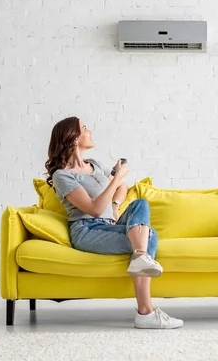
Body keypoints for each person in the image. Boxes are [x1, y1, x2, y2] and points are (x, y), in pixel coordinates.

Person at [44, 116, 183, 329]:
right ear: (72, 139)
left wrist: (116, 206)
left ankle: (139, 257)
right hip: (87, 230)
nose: (90, 131)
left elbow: (122, 188)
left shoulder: (95, 165)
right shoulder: (63, 176)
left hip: (110, 224)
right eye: (84, 128)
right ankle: (145, 311)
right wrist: (117, 177)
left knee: (140, 204)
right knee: (149, 235)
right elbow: (95, 208)